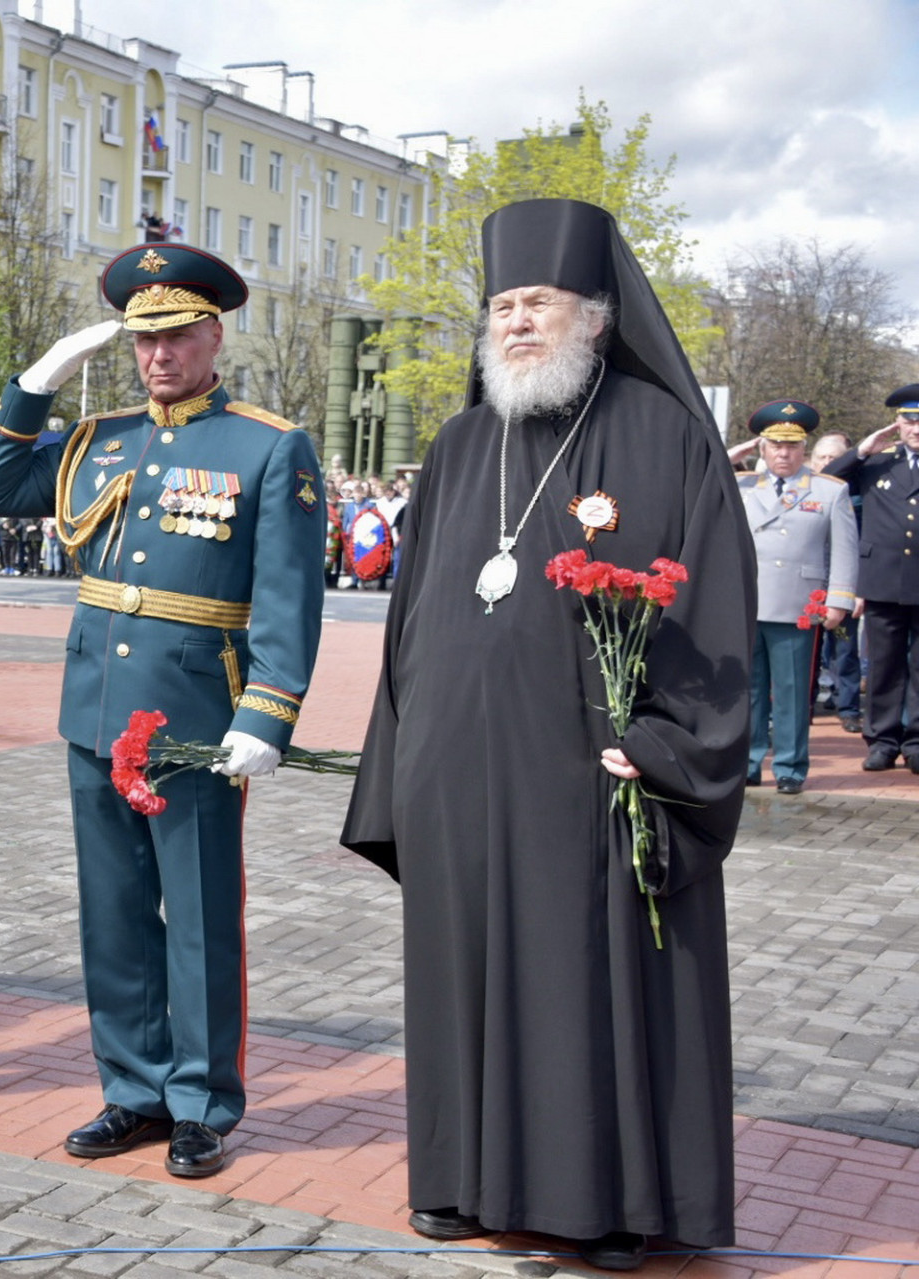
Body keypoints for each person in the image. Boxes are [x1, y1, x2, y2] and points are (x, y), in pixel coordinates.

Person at [340, 199, 753, 1269]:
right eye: (504, 306)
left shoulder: (665, 439)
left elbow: (711, 614)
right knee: (460, 975)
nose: (517, 323)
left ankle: (600, 1201)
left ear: (600, 317)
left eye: (540, 303)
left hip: (586, 776)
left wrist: (667, 745)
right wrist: (401, 757)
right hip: (458, 776)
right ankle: (459, 1179)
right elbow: (412, 617)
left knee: (584, 980)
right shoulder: (460, 441)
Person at [0, 243, 326, 1179]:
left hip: (197, 714)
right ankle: (131, 1088)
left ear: (212, 334)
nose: (158, 356)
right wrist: (37, 383)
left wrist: (268, 712)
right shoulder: (103, 438)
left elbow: (289, 597)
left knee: (201, 912)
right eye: (142, 340)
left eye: (175, 336)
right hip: (95, 706)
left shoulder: (266, 444)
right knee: (114, 911)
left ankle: (202, 1100)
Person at [736, 402, 855, 793]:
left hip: (799, 603)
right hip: (749, 601)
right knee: (749, 690)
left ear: (804, 448)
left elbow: (843, 549)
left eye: (792, 446)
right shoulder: (740, 485)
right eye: (774, 445)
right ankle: (749, 762)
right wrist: (732, 455)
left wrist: (839, 599)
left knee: (791, 692)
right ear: (761, 448)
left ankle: (789, 766)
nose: (783, 453)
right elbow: (697, 474)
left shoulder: (829, 490)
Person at [819, 387, 919, 771]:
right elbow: (826, 480)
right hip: (882, 581)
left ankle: (915, 741)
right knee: (883, 667)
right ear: (897, 423)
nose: (915, 427)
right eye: (908, 419)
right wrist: (861, 450)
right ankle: (882, 741)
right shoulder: (879, 462)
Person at [809, 431, 864, 732]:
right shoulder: (800, 490)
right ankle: (805, 707)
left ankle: (849, 708)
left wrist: (858, 590)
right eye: (823, 458)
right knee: (807, 655)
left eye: (835, 458)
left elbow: (865, 546)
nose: (828, 463)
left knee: (845, 652)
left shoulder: (856, 494)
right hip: (807, 586)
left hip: (843, 586)